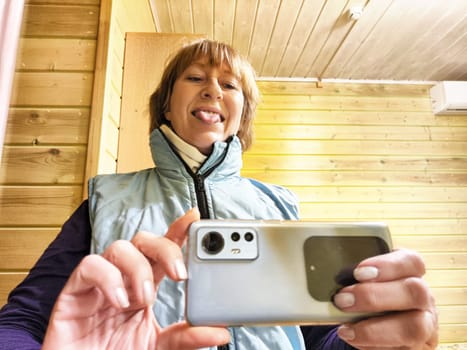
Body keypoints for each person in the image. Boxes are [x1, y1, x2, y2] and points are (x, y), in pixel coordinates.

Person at [0, 39, 438, 349]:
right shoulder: (104, 199)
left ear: (241, 115)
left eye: (230, 86)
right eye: (195, 77)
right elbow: (22, 321)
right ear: (166, 104)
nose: (213, 88)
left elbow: (308, 336)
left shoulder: (280, 204)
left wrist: (369, 341)